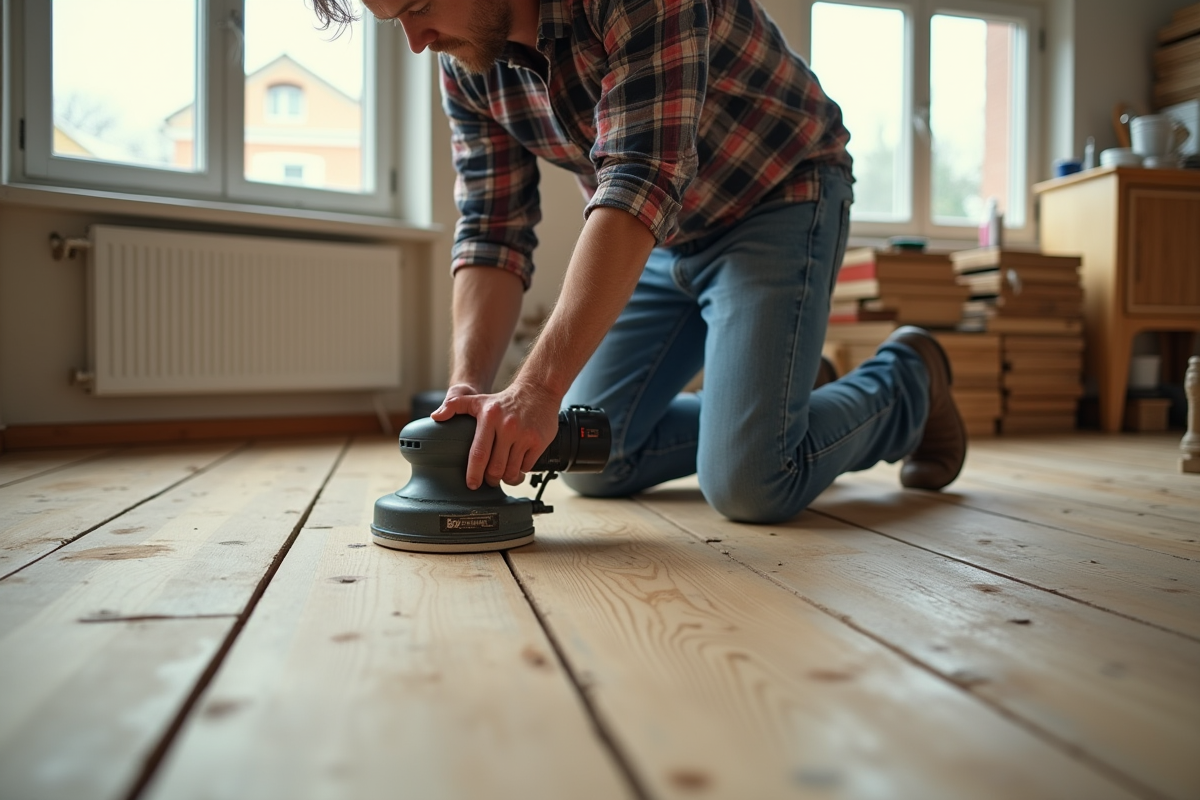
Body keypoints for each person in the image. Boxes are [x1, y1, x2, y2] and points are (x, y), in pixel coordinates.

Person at [312, 0, 966, 523]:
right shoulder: (464, 59)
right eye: (395, 21)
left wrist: (537, 391)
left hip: (776, 195)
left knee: (752, 485)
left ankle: (911, 380)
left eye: (419, 7)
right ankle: (782, 399)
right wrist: (466, 388)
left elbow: (638, 178)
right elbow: (492, 229)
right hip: (663, 236)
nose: (417, 42)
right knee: (591, 455)